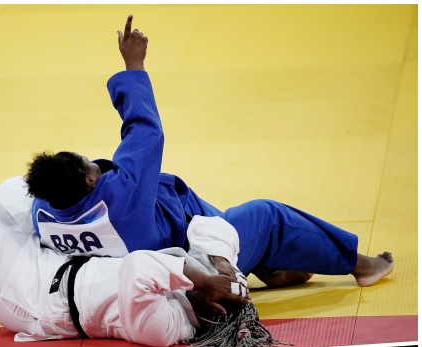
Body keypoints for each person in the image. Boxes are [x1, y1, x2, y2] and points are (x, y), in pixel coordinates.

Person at [22, 15, 393, 289]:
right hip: (192, 268)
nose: (100, 166)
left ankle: (270, 265)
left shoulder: (43, 213)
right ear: (90, 180)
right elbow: (145, 131)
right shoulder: (122, 194)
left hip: (148, 270)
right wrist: (134, 64)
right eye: (93, 166)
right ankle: (360, 265)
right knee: (267, 216)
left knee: (197, 210)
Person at [0, 180, 250, 347]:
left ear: (214, 315)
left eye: (217, 295)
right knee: (17, 188)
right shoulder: (203, 285)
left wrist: (204, 281)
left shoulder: (166, 327)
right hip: (61, 265)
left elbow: (138, 269)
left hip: (32, 298)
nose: (207, 283)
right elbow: (213, 225)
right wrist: (223, 266)